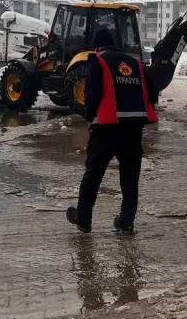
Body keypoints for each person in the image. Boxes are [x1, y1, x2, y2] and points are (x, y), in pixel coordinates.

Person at [67, 28, 159, 235]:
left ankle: (84, 220)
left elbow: (91, 94)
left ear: (97, 46)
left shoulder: (97, 60)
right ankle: (126, 222)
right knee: (130, 179)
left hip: (106, 129)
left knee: (93, 175)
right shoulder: (135, 63)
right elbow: (153, 92)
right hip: (133, 130)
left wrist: (90, 117)